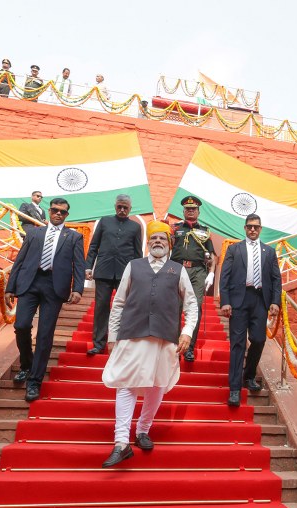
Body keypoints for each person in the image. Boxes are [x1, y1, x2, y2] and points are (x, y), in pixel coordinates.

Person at [100, 221, 198, 468]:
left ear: (169, 244)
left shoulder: (178, 270)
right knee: (126, 384)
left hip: (165, 337)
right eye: (153, 238)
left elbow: (191, 305)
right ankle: (121, 442)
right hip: (132, 335)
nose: (157, 242)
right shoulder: (133, 266)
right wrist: (112, 336)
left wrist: (187, 332)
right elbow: (119, 302)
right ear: (147, 243)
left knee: (157, 385)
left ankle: (143, 429)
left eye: (162, 239)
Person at [4, 198, 85, 402]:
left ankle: (34, 381)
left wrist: (78, 289)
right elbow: (20, 260)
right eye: (55, 210)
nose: (58, 214)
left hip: (54, 287)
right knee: (21, 325)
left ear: (67, 215)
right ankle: (26, 364)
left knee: (44, 335)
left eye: (62, 212)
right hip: (29, 283)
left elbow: (79, 265)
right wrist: (10, 287)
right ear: (49, 211)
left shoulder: (74, 237)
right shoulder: (34, 233)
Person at [219, 214, 282, 407]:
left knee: (259, 339)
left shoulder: (269, 252)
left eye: (256, 227)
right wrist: (225, 301)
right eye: (249, 227)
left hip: (260, 300)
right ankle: (235, 389)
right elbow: (224, 276)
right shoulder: (234, 249)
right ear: (245, 228)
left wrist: (275, 302)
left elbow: (276, 279)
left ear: (260, 229)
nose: (252, 229)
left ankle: (249, 375)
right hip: (239, 299)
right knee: (237, 344)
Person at [85, 195, 143, 356]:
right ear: (115, 206)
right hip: (103, 271)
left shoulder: (135, 227)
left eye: (125, 207)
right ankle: (98, 344)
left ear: (130, 209)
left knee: (126, 307)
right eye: (119, 207)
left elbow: (137, 252)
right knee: (101, 307)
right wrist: (88, 266)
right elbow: (94, 246)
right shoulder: (104, 221)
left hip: (125, 273)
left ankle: (122, 343)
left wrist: (139, 273)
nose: (122, 210)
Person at [170, 196, 216, 363]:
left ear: (198, 212)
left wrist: (211, 273)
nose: (191, 211)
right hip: (176, 269)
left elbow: (212, 256)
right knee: (175, 306)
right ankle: (174, 345)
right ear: (183, 211)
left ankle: (189, 347)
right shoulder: (175, 229)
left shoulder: (205, 231)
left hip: (198, 271)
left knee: (195, 306)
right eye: (188, 209)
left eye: (193, 209)